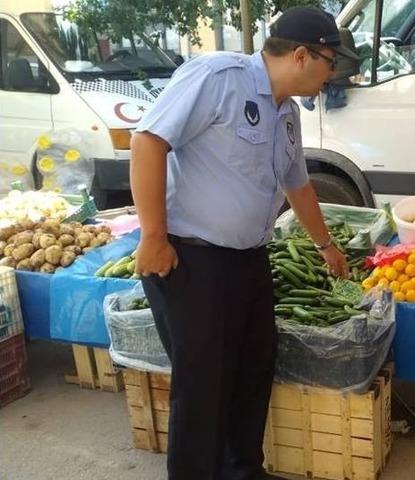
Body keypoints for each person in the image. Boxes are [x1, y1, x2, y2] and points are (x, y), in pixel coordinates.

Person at [129, 7, 358, 479]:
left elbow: (299, 187)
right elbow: (148, 141)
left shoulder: (288, 114)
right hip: (192, 260)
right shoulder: (217, 77)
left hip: (249, 261)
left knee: (253, 371)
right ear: (301, 55)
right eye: (330, 62)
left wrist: (326, 247)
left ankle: (242, 472)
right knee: (204, 386)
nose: (332, 74)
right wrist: (153, 236)